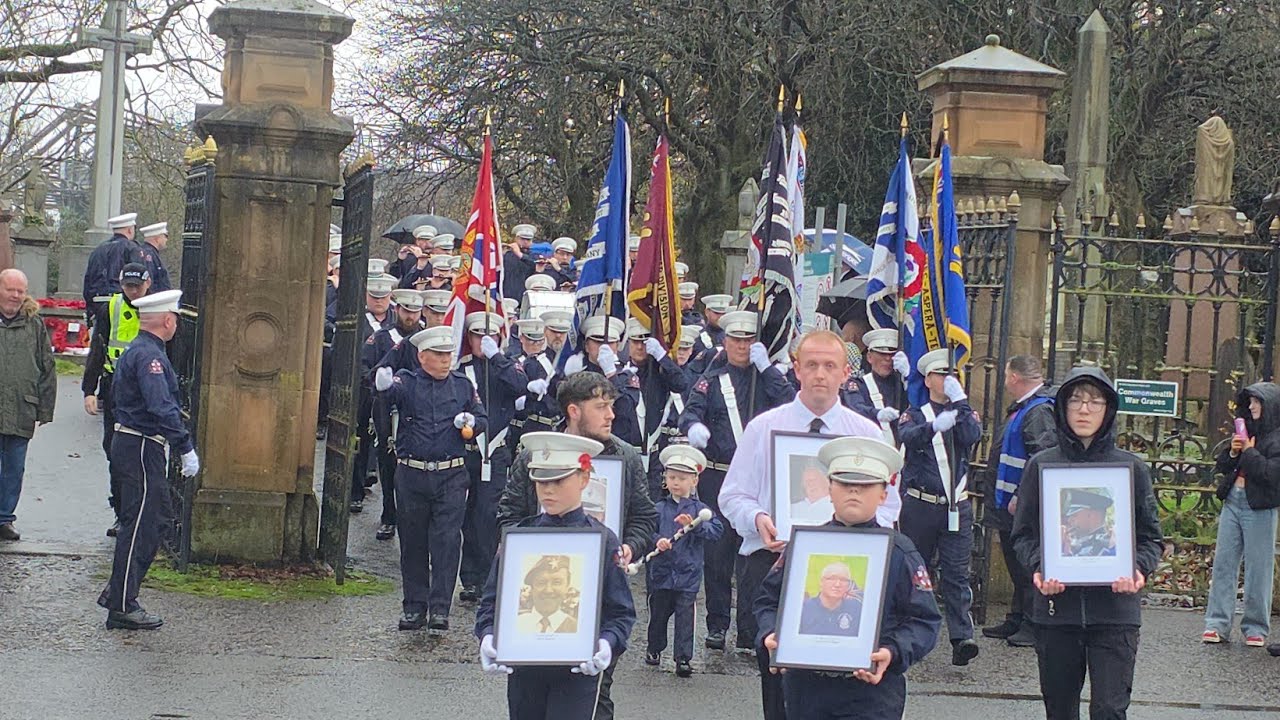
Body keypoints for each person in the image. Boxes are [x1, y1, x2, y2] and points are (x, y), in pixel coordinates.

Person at [718, 329, 888, 720]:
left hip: (845, 566)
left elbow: (889, 504)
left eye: (830, 365)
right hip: (772, 563)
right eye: (811, 365)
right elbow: (733, 495)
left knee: (841, 675)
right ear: (796, 370)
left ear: (846, 372)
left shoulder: (866, 434)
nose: (820, 374)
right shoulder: (763, 428)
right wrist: (758, 519)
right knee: (777, 674)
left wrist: (857, 535)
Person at [497, 372, 656, 720]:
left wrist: (629, 546)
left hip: (598, 593)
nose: (611, 415)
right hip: (539, 591)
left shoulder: (626, 456)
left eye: (611, 406)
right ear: (574, 410)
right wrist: (525, 552)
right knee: (530, 695)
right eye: (601, 407)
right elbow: (508, 515)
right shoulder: (535, 453)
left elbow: (644, 517)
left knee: (595, 693)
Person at [1011, 367, 1163, 720]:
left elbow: (1151, 538)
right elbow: (1023, 534)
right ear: (1062, 407)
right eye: (1076, 400)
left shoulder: (1131, 468)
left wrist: (1138, 569)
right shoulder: (1041, 466)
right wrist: (1040, 566)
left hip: (1115, 613)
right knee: (1060, 710)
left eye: (1094, 402)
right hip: (1056, 613)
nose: (1084, 410)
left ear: (1108, 409)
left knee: (1110, 709)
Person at [755, 436, 942, 720]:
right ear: (829, 489)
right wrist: (771, 633)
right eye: (844, 483)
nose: (854, 490)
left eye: (866, 485)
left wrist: (893, 651)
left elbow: (924, 620)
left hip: (872, 693)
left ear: (883, 494)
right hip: (806, 690)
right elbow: (768, 601)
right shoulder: (804, 547)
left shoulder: (900, 552)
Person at [476, 432, 637, 720]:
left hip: (576, 673)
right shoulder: (520, 538)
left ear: (584, 479)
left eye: (559, 481)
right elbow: (491, 601)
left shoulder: (603, 541)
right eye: (541, 481)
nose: (548, 490)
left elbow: (621, 611)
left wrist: (606, 642)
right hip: (525, 669)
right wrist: (488, 635)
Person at [678, 310, 796, 654]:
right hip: (719, 474)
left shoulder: (768, 379)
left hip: (758, 477)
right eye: (736, 340)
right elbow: (690, 411)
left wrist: (767, 369)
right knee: (718, 556)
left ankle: (749, 628)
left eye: (748, 340)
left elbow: (791, 404)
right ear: (726, 342)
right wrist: (694, 427)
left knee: (753, 556)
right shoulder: (712, 380)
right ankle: (717, 625)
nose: (742, 347)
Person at [95, 289, 199, 629]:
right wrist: (184, 446)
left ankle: (120, 593)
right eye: (175, 319)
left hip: (138, 444)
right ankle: (122, 604)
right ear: (167, 320)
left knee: (156, 520)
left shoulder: (142, 350)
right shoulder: (149, 357)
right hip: (140, 444)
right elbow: (160, 405)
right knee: (139, 524)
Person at [374, 325, 484, 633]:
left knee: (447, 543)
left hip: (451, 474)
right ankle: (414, 607)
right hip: (413, 474)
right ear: (422, 357)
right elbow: (389, 392)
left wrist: (472, 422)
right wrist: (383, 384)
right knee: (413, 543)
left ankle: (439, 609)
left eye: (448, 354)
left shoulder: (462, 385)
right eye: (438, 354)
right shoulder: (408, 382)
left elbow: (481, 417)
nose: (446, 360)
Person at [898, 348, 982, 666]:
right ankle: (911, 634)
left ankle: (962, 638)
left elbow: (972, 435)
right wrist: (934, 427)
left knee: (957, 575)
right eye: (941, 374)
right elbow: (908, 436)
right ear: (928, 379)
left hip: (956, 505)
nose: (948, 379)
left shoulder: (963, 411)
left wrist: (960, 403)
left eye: (952, 374)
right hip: (921, 505)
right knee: (916, 572)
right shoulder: (916, 413)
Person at [982, 355, 1057, 647]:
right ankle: (1017, 617)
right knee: (1016, 564)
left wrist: (1020, 496)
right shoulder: (1026, 407)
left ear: (1014, 377)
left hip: (1022, 506)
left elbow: (1041, 457)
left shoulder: (1038, 411)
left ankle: (1033, 623)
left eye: (1005, 376)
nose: (1004, 382)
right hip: (1010, 504)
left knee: (1026, 564)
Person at [457, 311, 528, 603]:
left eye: (488, 336)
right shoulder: (462, 367)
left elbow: (520, 385)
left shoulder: (505, 366)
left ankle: (486, 576)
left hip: (495, 452)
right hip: (466, 451)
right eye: (476, 335)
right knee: (465, 515)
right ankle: (469, 578)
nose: (481, 341)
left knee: (487, 515)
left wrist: (496, 357)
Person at [1204, 383, 1280, 647]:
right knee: (1224, 563)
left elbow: (1270, 474)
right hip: (1233, 502)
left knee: (1259, 568)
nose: (1251, 406)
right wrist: (1234, 451)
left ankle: (1255, 627)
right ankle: (1216, 624)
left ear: (1270, 405)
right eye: (1250, 401)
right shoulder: (1247, 429)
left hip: (1259, 507)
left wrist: (1247, 451)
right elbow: (1223, 466)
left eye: (1257, 401)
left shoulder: (1277, 438)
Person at [82, 263, 152, 537]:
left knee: (144, 454)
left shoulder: (157, 309)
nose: (133, 291)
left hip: (147, 390)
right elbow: (97, 349)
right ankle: (122, 513)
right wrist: (89, 390)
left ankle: (142, 515)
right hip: (115, 388)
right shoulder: (110, 308)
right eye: (128, 286)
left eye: (137, 286)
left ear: (147, 283)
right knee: (115, 452)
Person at [644, 444, 723, 677]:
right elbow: (647, 531)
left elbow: (716, 531)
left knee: (686, 617)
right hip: (661, 572)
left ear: (694, 481)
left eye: (682, 478)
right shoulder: (658, 508)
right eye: (671, 477)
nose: (676, 483)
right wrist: (658, 541)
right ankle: (654, 648)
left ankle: (683, 658)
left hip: (688, 573)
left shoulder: (701, 510)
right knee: (658, 614)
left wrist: (694, 526)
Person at [365, 288, 427, 541]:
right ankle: (389, 516)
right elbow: (368, 368)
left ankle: (413, 519)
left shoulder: (427, 340)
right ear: (397, 309)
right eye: (406, 311)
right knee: (388, 463)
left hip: (418, 410)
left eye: (415, 312)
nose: (410, 317)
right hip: (388, 408)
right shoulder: (384, 337)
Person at [0, 269, 56, 542]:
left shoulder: (34, 324)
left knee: (14, 468)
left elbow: (47, 366)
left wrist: (45, 409)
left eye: (20, 291)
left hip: (22, 406)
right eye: (10, 289)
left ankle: (4, 518)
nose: (15, 295)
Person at [621, 317, 690, 495]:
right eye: (635, 342)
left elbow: (681, 383)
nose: (640, 347)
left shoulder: (658, 372)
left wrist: (662, 356)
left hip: (652, 456)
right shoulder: (619, 371)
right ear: (628, 343)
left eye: (644, 342)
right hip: (625, 454)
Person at [347, 273, 397, 513]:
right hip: (366, 390)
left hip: (393, 393)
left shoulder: (396, 323)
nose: (379, 301)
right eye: (374, 297)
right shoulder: (357, 320)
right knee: (361, 439)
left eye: (383, 297)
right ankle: (355, 490)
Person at [842, 329, 909, 446]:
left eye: (891, 355)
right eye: (881, 354)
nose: (887, 359)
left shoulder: (902, 385)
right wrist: (877, 414)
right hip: (869, 446)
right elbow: (856, 407)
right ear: (869, 357)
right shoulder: (859, 384)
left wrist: (908, 377)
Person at [82, 212, 144, 315]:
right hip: (121, 303)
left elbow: (88, 280)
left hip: (97, 303)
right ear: (130, 230)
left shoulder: (98, 250)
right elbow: (138, 277)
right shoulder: (131, 248)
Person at [515, 554, 579, 634]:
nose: (548, 590)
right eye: (541, 582)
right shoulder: (517, 624)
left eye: (557, 582)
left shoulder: (577, 629)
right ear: (532, 588)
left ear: (567, 587)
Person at [797, 562, 863, 637]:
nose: (837, 584)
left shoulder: (857, 609)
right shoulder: (803, 609)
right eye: (832, 578)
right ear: (821, 582)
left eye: (843, 580)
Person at [788, 460, 834, 527]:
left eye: (813, 480)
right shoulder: (792, 509)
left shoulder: (835, 508)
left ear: (826, 482)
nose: (810, 484)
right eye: (807, 481)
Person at [502, 223, 538, 299]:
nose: (525, 242)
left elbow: (533, 265)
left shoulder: (535, 256)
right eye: (522, 239)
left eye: (528, 240)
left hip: (526, 296)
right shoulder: (507, 254)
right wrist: (500, 254)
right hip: (507, 295)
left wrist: (519, 254)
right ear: (516, 239)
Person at [136, 222, 172, 292]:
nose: (166, 240)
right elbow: (149, 282)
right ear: (157, 239)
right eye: (165, 236)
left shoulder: (150, 253)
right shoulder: (148, 255)